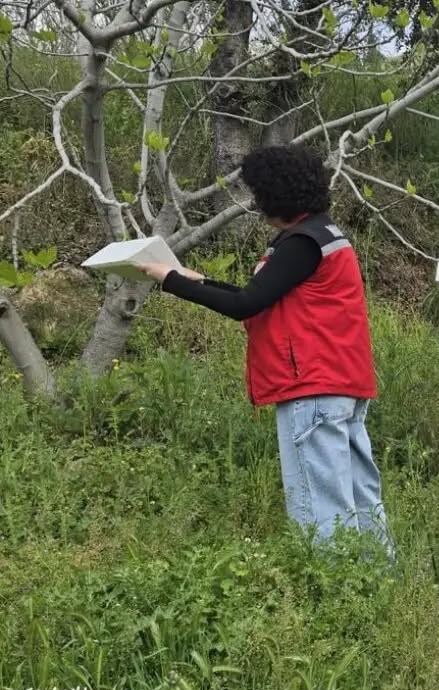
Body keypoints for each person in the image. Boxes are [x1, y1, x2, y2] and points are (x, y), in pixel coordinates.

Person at [137, 144, 395, 560]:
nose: (256, 203)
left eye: (258, 193)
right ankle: (376, 582)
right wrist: (192, 278)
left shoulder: (302, 243)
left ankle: (332, 593)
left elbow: (246, 305)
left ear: (275, 195)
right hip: (340, 386)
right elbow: (258, 296)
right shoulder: (321, 236)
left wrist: (170, 281)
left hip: (311, 389)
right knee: (359, 496)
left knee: (319, 505)